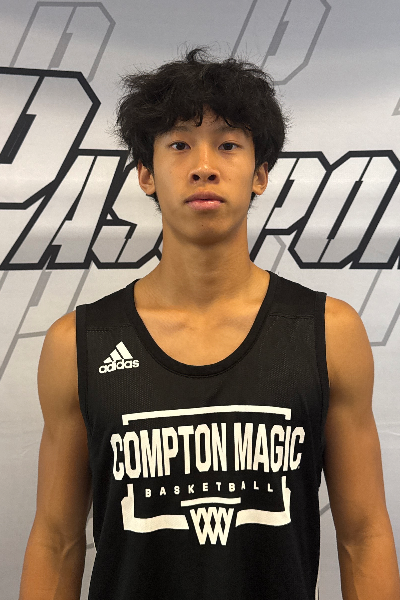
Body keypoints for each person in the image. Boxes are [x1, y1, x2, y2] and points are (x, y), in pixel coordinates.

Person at [19, 46, 400, 600]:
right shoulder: (78, 342)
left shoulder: (328, 333)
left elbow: (364, 536)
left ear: (260, 173)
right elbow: (56, 541)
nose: (203, 165)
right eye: (179, 145)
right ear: (146, 174)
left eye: (228, 144)